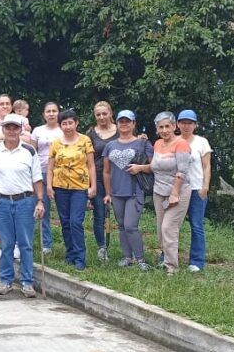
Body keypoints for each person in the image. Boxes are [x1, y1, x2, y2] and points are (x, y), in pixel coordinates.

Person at [0, 114, 45, 297]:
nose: (11, 131)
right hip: (2, 202)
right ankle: (6, 281)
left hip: (24, 201)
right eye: (8, 128)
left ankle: (27, 282)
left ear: (20, 130)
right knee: (6, 244)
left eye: (15, 128)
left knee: (25, 244)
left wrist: (40, 201)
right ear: (3, 129)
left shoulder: (29, 151)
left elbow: (37, 178)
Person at [139, 111, 192, 276]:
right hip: (159, 192)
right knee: (161, 230)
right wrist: (139, 166)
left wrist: (174, 193)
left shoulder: (181, 144)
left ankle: (172, 267)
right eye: (160, 127)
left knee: (168, 228)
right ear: (156, 129)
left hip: (178, 192)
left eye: (167, 126)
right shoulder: (157, 144)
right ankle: (166, 259)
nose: (164, 130)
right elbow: (154, 166)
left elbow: (182, 172)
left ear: (174, 126)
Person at [102, 110, 154, 271]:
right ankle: (127, 257)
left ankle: (140, 259)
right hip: (116, 192)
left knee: (131, 225)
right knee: (122, 225)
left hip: (134, 190)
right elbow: (106, 171)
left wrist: (140, 168)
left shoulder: (143, 144)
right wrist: (108, 193)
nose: (124, 124)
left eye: (127, 121)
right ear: (116, 124)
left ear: (134, 124)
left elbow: (154, 167)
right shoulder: (110, 145)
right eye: (121, 121)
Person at [46, 109, 96, 271]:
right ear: (60, 125)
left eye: (70, 123)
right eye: (64, 123)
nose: (68, 126)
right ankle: (70, 254)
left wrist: (93, 186)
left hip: (79, 188)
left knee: (75, 222)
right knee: (65, 222)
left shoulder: (85, 140)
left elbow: (91, 165)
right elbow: (50, 167)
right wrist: (48, 186)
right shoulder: (56, 143)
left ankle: (80, 258)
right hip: (60, 187)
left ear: (76, 123)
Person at [178, 109, 212, 273]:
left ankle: (196, 261)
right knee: (172, 224)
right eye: (183, 122)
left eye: (189, 123)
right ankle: (168, 256)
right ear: (177, 124)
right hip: (178, 188)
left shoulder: (201, 142)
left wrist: (205, 186)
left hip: (197, 188)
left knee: (196, 225)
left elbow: (207, 166)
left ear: (195, 125)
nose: (186, 126)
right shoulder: (174, 140)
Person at [86, 101, 118, 262]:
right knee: (99, 214)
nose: (101, 117)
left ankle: (129, 250)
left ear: (110, 113)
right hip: (97, 177)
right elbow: (86, 159)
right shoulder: (91, 133)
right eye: (98, 114)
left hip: (120, 178)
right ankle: (101, 247)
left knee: (122, 215)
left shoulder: (120, 130)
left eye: (104, 113)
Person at [31, 102, 64, 253]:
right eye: (48, 111)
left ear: (58, 113)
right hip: (41, 173)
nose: (51, 114)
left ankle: (67, 242)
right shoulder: (37, 130)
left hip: (62, 174)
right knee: (42, 208)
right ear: (44, 114)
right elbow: (32, 152)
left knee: (63, 211)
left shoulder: (64, 129)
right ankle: (46, 244)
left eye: (54, 111)